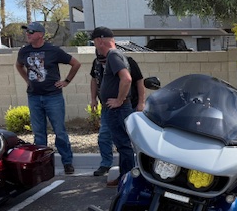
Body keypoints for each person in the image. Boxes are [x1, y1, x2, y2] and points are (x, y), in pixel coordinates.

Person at [15, 22, 81, 175]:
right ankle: (42, 166)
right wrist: (27, 80)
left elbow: (75, 64)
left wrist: (66, 81)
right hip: (34, 96)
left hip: (53, 97)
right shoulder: (24, 51)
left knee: (60, 131)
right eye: (27, 32)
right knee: (39, 133)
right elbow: (19, 65)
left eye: (31, 32)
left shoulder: (53, 50)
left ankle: (67, 162)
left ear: (40, 34)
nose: (28, 34)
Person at [91, 26, 134, 186]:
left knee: (123, 145)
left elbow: (127, 79)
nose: (95, 45)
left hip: (118, 109)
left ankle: (128, 180)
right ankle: (125, 176)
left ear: (99, 41)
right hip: (116, 109)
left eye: (94, 42)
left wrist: (119, 100)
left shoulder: (113, 55)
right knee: (122, 145)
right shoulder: (114, 55)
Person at [90, 50, 145, 178]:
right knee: (104, 136)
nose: (103, 64)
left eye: (105, 61)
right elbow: (94, 80)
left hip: (126, 105)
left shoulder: (127, 62)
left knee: (126, 141)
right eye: (101, 62)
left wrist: (141, 102)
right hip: (108, 106)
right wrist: (93, 99)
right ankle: (106, 164)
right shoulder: (96, 64)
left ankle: (131, 172)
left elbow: (139, 81)